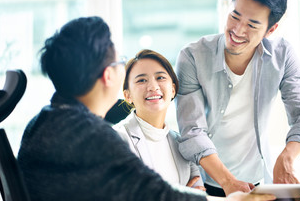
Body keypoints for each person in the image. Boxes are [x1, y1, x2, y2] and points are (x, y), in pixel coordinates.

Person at [17, 16, 275, 201]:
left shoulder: (44, 124)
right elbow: (157, 195)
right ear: (109, 76)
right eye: (121, 63)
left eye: (161, 78)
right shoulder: (88, 135)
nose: (152, 86)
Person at [175, 0, 300, 197]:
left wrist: (287, 158)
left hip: (257, 180)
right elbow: (192, 130)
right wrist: (228, 182)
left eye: (252, 25)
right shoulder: (193, 56)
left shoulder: (282, 56)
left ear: (270, 31)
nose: (238, 30)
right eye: (235, 16)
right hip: (205, 183)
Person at [113, 49, 205, 190]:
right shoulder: (116, 139)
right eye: (141, 80)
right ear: (128, 96)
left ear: (173, 89)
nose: (153, 87)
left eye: (160, 78)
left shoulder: (183, 143)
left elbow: (199, 193)